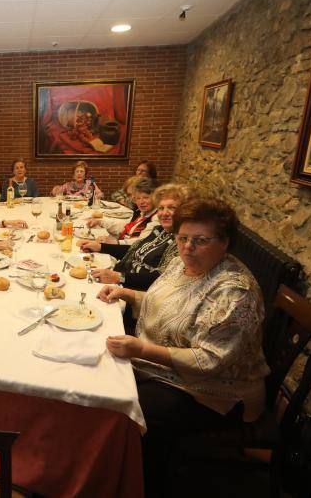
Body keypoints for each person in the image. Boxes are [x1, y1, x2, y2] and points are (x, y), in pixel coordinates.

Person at [97, 198, 268, 498]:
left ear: (225, 242)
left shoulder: (233, 290)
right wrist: (127, 293)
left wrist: (141, 350)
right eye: (182, 238)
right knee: (102, 377)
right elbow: (167, 304)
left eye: (200, 240)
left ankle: (143, 484)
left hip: (214, 392)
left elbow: (210, 359)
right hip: (164, 368)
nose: (188, 247)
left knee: (125, 410)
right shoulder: (181, 265)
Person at [86, 184, 190, 333]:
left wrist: (119, 277)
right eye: (161, 208)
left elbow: (161, 278)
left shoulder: (181, 242)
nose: (164, 213)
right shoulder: (160, 230)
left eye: (172, 208)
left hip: (137, 302)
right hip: (122, 283)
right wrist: (101, 247)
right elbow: (133, 250)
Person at [85, 177, 157, 246]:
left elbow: (141, 242)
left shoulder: (155, 218)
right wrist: (101, 222)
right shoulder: (142, 213)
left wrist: (115, 242)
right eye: (138, 198)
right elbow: (127, 228)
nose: (141, 202)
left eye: (146, 197)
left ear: (155, 197)